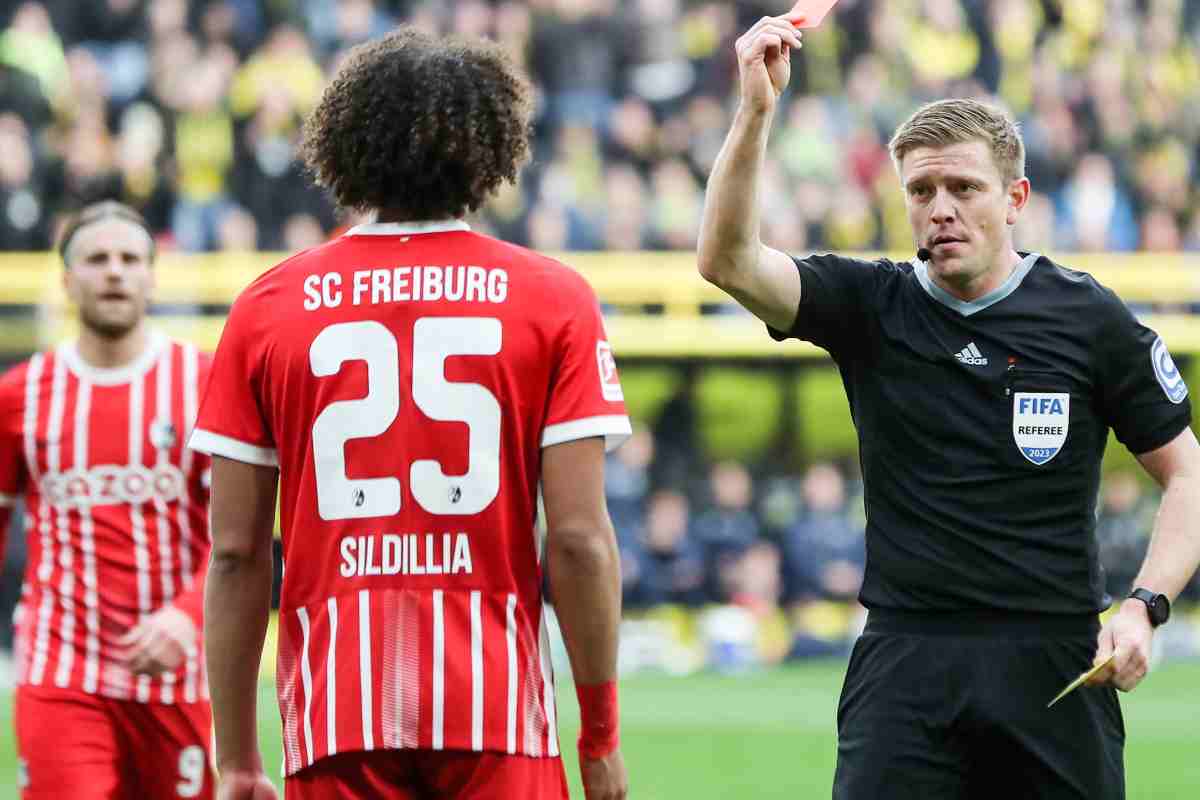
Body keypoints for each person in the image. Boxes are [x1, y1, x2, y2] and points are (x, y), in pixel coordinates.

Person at [697, 13, 1200, 800]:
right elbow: (726, 261)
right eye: (922, 190)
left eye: (964, 188)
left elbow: (1188, 476)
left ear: (1015, 198)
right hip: (907, 658)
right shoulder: (870, 304)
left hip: (1053, 658)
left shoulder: (1087, 318)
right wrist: (756, 110)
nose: (941, 208)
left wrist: (1144, 607)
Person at [189, 28, 631, 800]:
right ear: (490, 144)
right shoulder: (553, 299)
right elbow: (580, 540)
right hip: (496, 709)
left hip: (338, 708)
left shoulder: (266, 307)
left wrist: (235, 760)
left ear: (347, 141)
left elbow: (234, 556)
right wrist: (598, 735)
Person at [0, 200, 215, 798]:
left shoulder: (204, 383)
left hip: (177, 669)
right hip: (60, 667)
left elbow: (240, 532)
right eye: (97, 259)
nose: (114, 271)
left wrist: (188, 616)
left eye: (129, 259)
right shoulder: (20, 396)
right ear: (67, 280)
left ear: (152, 275)